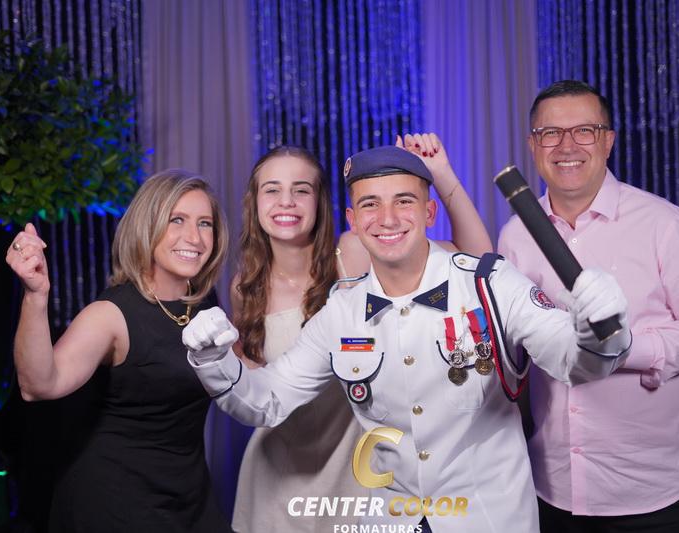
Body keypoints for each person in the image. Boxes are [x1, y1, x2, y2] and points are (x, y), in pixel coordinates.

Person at [184, 145, 632, 532]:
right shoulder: (341, 311)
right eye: (370, 205)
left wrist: (596, 328)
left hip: (487, 519)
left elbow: (575, 362)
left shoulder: (488, 284)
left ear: (429, 212)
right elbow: (267, 400)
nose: (388, 219)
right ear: (352, 220)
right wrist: (214, 360)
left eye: (404, 201)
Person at [497, 80, 679, 533]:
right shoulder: (515, 236)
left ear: (608, 140)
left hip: (651, 489)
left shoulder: (664, 223)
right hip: (553, 486)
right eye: (550, 133)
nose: (567, 146)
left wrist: (627, 351)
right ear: (533, 145)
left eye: (584, 130)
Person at [229, 135, 491, 533]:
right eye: (272, 190)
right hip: (277, 475)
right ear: (254, 203)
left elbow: (476, 261)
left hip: (358, 471)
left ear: (320, 202)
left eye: (301, 190)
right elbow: (254, 386)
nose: (287, 202)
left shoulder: (352, 253)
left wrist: (441, 175)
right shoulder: (244, 286)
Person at [6, 170, 232, 532]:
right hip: (115, 502)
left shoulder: (203, 303)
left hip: (187, 495)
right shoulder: (110, 315)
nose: (194, 237)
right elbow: (39, 384)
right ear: (147, 226)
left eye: (204, 223)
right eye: (176, 220)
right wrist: (36, 295)